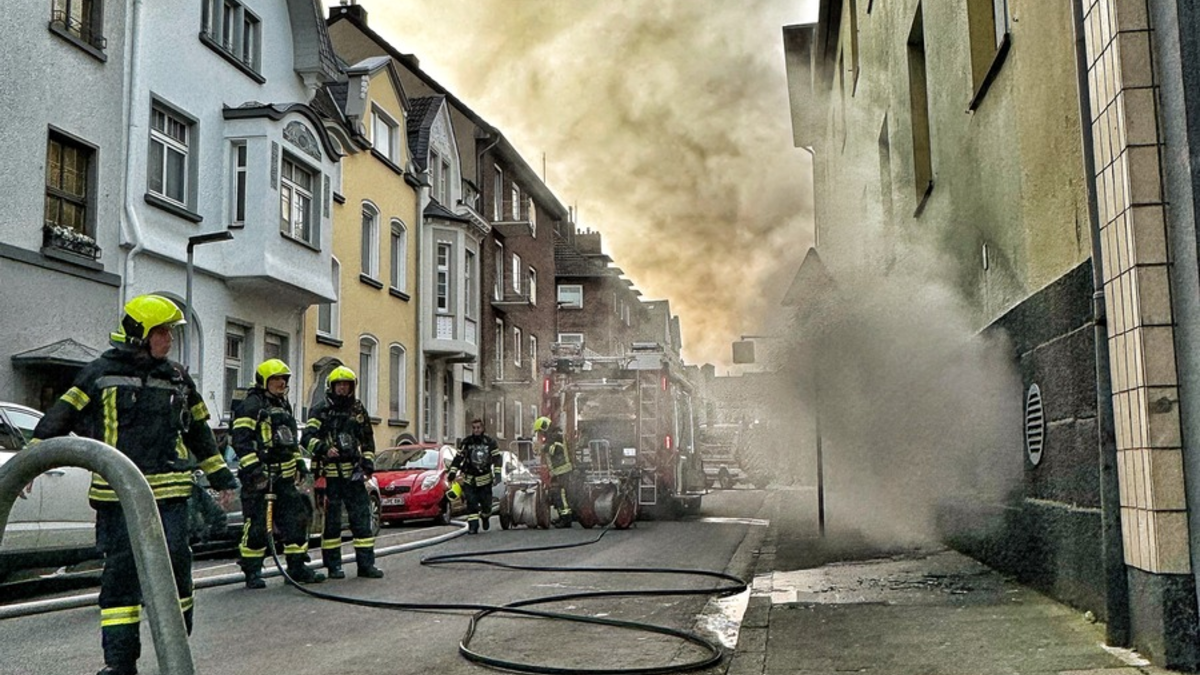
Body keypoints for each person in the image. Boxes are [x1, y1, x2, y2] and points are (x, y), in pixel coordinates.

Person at [31, 294, 238, 675]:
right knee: (121, 579)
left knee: (176, 566)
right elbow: (60, 416)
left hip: (171, 495)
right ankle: (120, 663)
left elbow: (199, 434)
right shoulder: (98, 373)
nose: (169, 339)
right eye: (162, 331)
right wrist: (31, 462)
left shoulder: (177, 377)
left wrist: (221, 477)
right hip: (118, 496)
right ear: (140, 335)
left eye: (170, 332)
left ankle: (175, 648)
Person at [232, 358, 324, 588]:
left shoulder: (283, 405)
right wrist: (255, 472)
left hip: (283, 480)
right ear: (264, 381)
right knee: (258, 526)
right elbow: (241, 442)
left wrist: (299, 464)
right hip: (260, 480)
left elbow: (289, 441)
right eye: (276, 379)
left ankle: (296, 568)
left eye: (284, 379)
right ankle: (252, 572)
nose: (281, 383)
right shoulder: (251, 405)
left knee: (297, 519)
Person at [302, 366, 383, 578]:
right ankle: (333, 566)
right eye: (339, 385)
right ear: (332, 386)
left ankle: (366, 565)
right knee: (332, 524)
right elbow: (307, 437)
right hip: (330, 475)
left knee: (361, 520)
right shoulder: (320, 410)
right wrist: (323, 448)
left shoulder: (357, 410)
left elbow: (367, 440)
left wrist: (367, 464)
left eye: (347, 385)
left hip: (353, 475)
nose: (343, 389)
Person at [446, 418, 501, 534]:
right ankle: (473, 527)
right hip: (470, 481)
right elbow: (458, 458)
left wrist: (497, 474)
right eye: (474, 428)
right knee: (471, 504)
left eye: (478, 428)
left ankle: (485, 517)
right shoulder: (466, 443)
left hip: (485, 481)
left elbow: (497, 459)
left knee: (487, 506)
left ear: (483, 429)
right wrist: (452, 472)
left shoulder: (490, 443)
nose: (476, 430)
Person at [533, 416, 575, 527]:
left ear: (544, 427)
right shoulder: (553, 436)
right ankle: (562, 517)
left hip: (563, 470)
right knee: (557, 494)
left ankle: (566, 519)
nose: (541, 434)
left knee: (561, 495)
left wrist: (542, 448)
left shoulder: (557, 436)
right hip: (558, 471)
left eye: (541, 431)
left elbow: (556, 450)